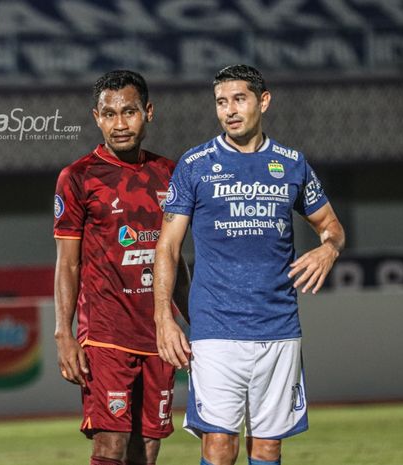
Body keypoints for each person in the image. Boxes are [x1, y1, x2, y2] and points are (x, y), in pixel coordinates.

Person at [153, 64, 345, 465]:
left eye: (239, 99)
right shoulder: (195, 164)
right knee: (219, 445)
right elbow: (167, 248)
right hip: (215, 328)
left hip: (278, 325)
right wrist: (164, 319)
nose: (230, 110)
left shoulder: (291, 163)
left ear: (264, 100)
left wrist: (329, 249)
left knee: (268, 446)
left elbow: (332, 227)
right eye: (222, 102)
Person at [54, 70, 189, 465]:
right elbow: (68, 264)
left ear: (148, 112)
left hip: (158, 333)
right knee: (110, 445)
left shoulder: (171, 173)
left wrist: (197, 322)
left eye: (128, 112)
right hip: (106, 334)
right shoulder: (78, 178)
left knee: (147, 449)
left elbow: (176, 259)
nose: (119, 123)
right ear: (96, 118)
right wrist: (65, 332)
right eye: (109, 114)